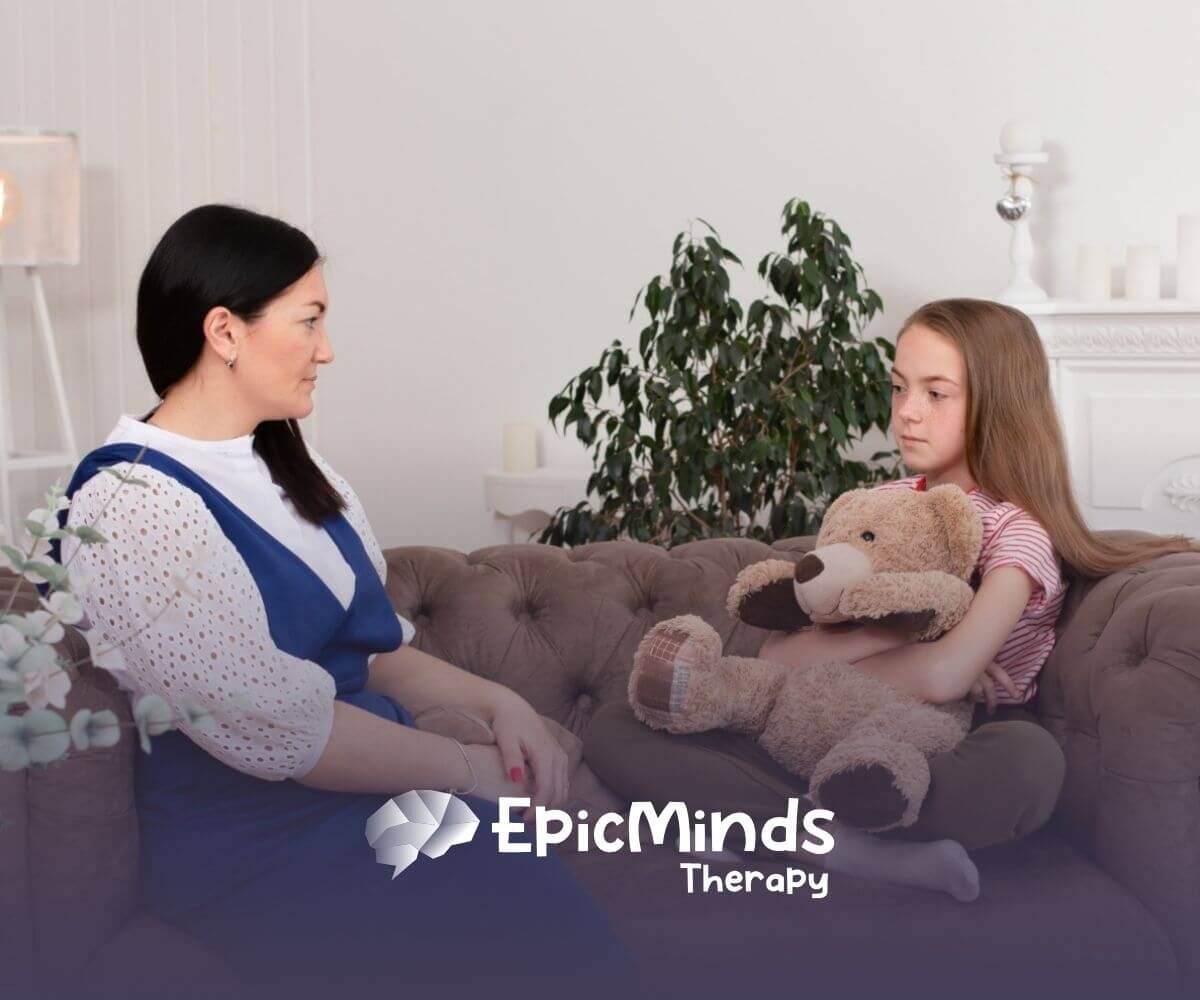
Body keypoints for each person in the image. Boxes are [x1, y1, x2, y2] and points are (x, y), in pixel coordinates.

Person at [54, 204, 633, 998]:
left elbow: (381, 655)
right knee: (540, 934)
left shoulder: (294, 471)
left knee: (563, 923)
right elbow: (285, 733)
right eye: (309, 321)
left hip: (374, 801)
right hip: (257, 846)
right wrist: (466, 770)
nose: (327, 350)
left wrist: (504, 706)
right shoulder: (130, 504)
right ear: (224, 332)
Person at [583, 297, 1200, 902]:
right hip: (819, 721)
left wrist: (922, 657)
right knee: (617, 723)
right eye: (900, 387)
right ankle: (832, 843)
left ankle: (762, 825)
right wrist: (904, 633)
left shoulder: (1019, 531)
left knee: (1029, 761)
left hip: (941, 741)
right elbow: (776, 654)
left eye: (936, 393)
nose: (907, 412)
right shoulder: (884, 503)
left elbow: (940, 680)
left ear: (999, 403)